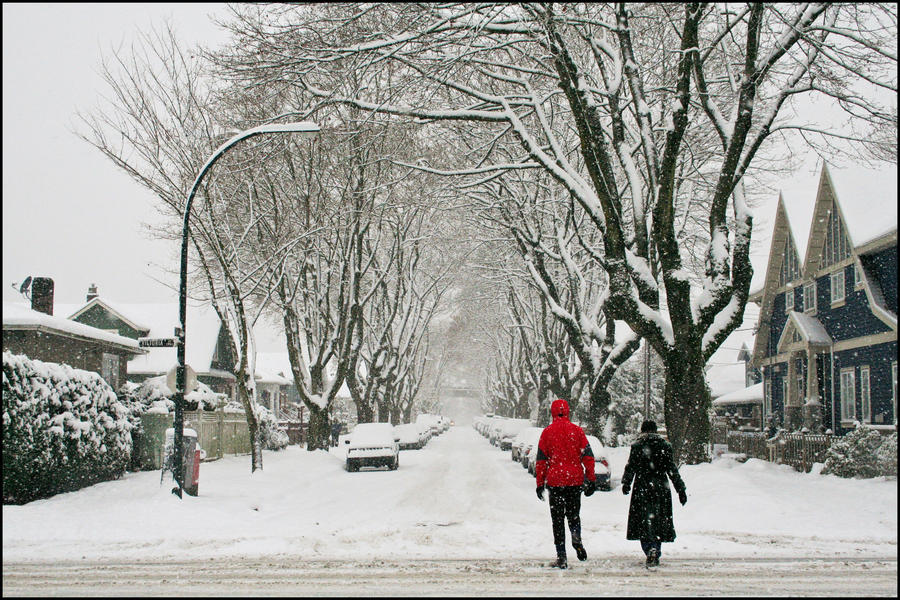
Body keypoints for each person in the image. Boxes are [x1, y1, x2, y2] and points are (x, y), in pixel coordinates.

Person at [535, 398, 597, 569]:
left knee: (557, 520)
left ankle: (561, 555)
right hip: (574, 480)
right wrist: (590, 478)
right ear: (568, 411)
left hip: (555, 482)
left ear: (552, 412)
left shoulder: (547, 433)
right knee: (573, 514)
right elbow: (588, 457)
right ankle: (576, 537)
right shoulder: (577, 432)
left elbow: (541, 461)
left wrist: (540, 483)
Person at [621, 420, 687, 568]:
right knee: (658, 521)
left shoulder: (638, 446)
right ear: (656, 431)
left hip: (642, 487)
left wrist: (626, 483)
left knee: (643, 521)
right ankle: (655, 548)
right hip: (660, 487)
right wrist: (680, 489)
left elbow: (631, 466)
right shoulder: (665, 447)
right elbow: (672, 469)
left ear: (643, 431)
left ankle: (649, 548)